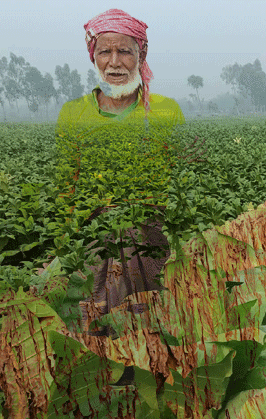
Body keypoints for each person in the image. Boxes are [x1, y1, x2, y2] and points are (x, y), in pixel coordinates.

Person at [54, 8, 186, 335]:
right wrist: (59, 248)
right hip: (94, 246)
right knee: (95, 331)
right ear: (93, 57)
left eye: (124, 51)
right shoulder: (74, 114)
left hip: (152, 241)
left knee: (156, 327)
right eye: (105, 51)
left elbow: (185, 184)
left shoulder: (166, 111)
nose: (115, 61)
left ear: (141, 54)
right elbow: (65, 187)